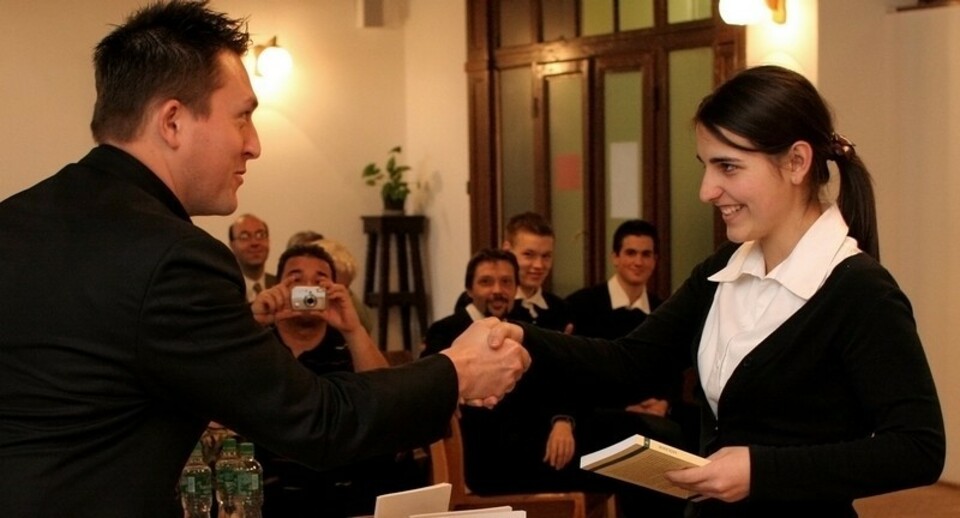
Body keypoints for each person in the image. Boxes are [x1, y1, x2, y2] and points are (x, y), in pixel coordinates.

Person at [0, 3, 527, 517]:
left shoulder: (15, 221)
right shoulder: (174, 258)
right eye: (243, 118)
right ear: (173, 122)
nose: (254, 145)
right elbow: (315, 421)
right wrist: (457, 369)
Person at [482, 65, 945, 517]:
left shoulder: (860, 290)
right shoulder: (724, 267)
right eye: (706, 166)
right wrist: (520, 336)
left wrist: (760, 471)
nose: (707, 190)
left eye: (728, 167)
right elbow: (630, 362)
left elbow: (916, 447)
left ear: (797, 162)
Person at [251, 245, 418, 517]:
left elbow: (385, 403)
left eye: (319, 282)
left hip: (344, 494)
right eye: (296, 279)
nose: (308, 288)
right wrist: (253, 320)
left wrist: (353, 328)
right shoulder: (256, 340)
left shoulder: (348, 345)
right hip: (267, 493)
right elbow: (213, 385)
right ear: (278, 286)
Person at [423, 250, 584, 495]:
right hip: (483, 454)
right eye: (486, 282)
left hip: (535, 444)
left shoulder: (522, 328)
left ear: (516, 289)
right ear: (469, 290)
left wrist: (562, 421)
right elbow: (433, 395)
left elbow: (552, 382)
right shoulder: (445, 331)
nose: (498, 290)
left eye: (506, 282)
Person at [454, 212, 571, 332]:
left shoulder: (559, 308)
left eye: (546, 256)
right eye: (528, 254)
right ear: (507, 250)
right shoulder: (482, 303)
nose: (539, 265)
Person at [229, 213, 278, 301]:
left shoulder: (280, 284)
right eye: (244, 237)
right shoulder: (225, 290)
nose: (254, 243)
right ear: (232, 245)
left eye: (260, 235)